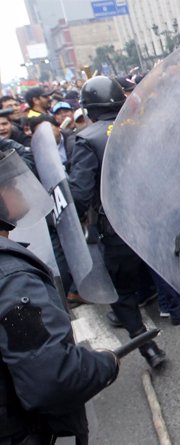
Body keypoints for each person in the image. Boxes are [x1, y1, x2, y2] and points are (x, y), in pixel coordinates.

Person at [0, 148, 118, 445]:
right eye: (10, 184)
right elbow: (52, 378)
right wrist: (105, 364)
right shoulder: (11, 279)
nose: (21, 189)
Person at [69, 76, 166, 369]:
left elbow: (80, 194)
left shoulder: (86, 140)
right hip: (154, 221)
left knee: (122, 293)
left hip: (117, 229)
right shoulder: (141, 127)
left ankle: (148, 349)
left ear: (88, 109)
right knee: (174, 281)